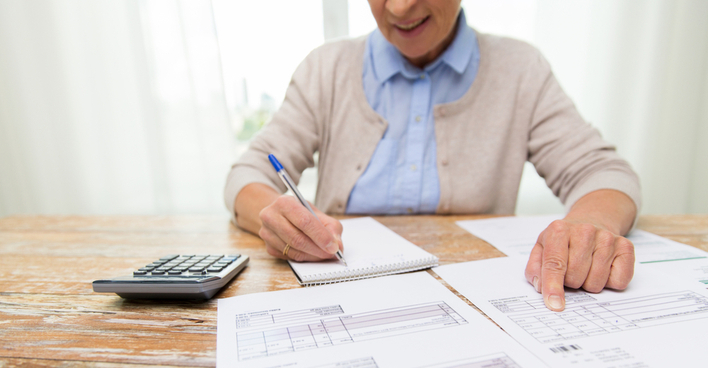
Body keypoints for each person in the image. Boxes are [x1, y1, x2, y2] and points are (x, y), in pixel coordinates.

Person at [224, 0, 639, 313]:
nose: (399, 7)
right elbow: (249, 173)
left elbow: (602, 172)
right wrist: (278, 216)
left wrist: (590, 223)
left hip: (476, 304)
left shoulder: (520, 70)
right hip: (338, 295)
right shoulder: (325, 68)